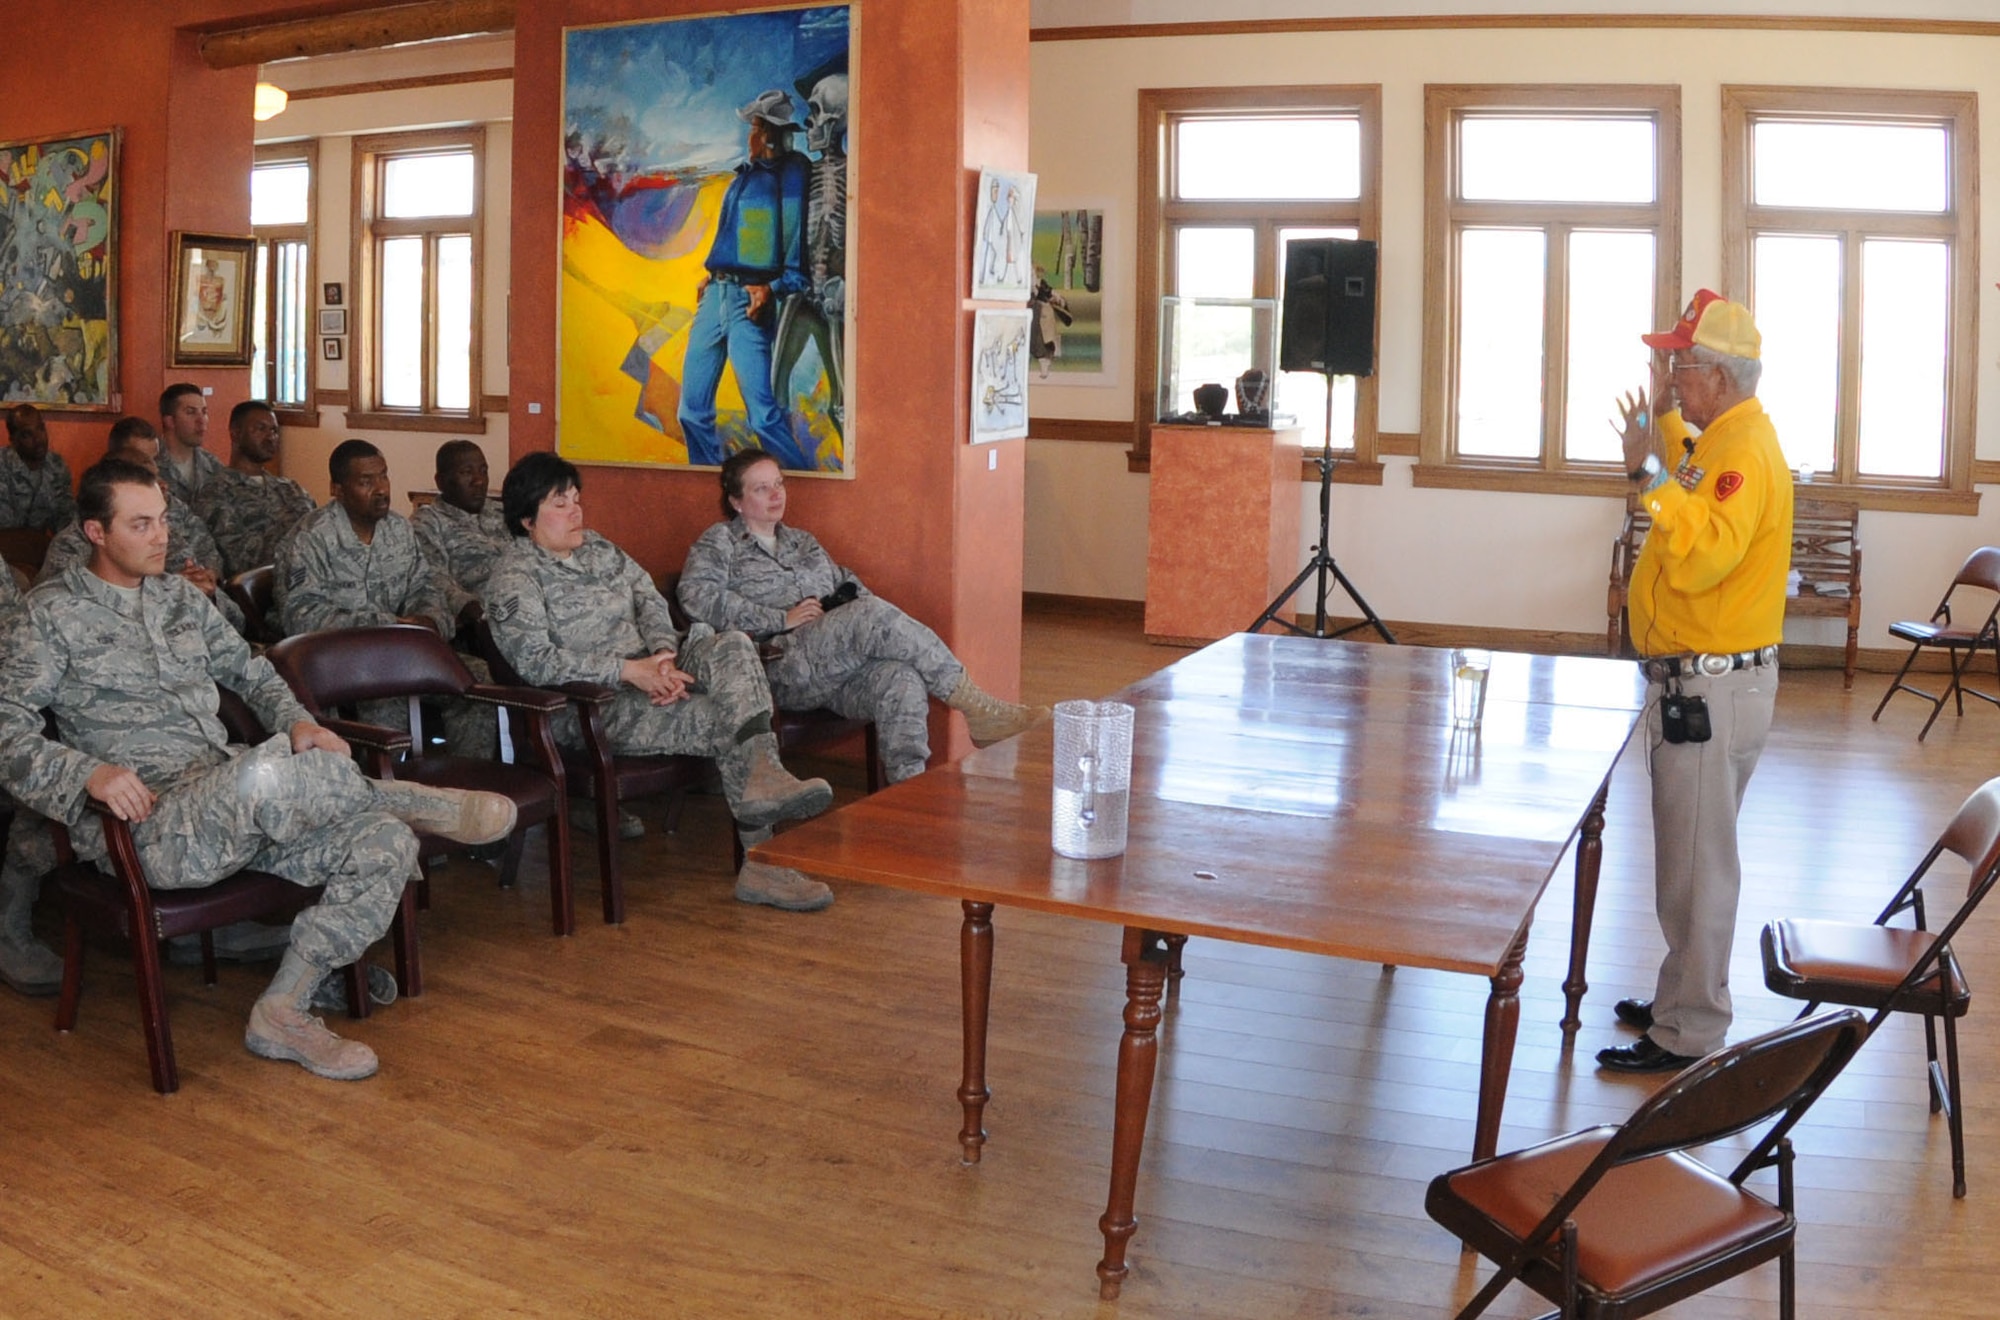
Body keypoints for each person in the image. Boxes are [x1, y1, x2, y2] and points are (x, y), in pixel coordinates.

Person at [0, 457, 517, 1077]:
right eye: (141, 525)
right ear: (96, 533)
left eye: (163, 520)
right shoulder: (48, 615)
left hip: (238, 804)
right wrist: (88, 774)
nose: (162, 536)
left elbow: (252, 670)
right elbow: (8, 730)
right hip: (152, 827)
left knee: (382, 843)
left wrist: (297, 720)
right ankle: (407, 796)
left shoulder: (177, 600)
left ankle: (285, 1009)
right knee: (268, 775)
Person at [484, 452, 838, 912]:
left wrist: (662, 657)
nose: (576, 512)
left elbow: (649, 598)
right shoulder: (514, 578)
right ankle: (763, 864)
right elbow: (537, 661)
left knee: (733, 643)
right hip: (596, 704)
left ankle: (764, 781)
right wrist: (631, 671)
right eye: (560, 504)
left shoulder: (599, 548)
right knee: (726, 716)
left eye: (576, 499)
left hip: (653, 666)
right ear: (527, 519)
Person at [1595, 289, 1793, 1073]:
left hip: (1712, 693)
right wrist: (1663, 441)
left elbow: (1705, 550)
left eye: (1682, 363)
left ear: (1720, 374)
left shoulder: (1743, 451)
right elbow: (1692, 478)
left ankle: (1692, 1030)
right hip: (1699, 688)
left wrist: (1646, 475)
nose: (1672, 374)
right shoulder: (1724, 438)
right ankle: (1679, 997)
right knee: (1686, 854)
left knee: (1700, 865)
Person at [679, 449, 1046, 786]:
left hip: (835, 663)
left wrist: (851, 607)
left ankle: (909, 791)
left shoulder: (802, 542)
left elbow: (847, 584)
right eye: (762, 489)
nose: (777, 494)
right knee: (870, 615)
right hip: (777, 667)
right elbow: (697, 597)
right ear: (736, 501)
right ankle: (978, 706)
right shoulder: (720, 543)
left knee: (900, 678)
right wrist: (779, 617)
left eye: (779, 484)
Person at [272, 439, 495, 760]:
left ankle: (466, 785)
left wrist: (429, 620)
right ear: (338, 488)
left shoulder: (399, 530)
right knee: (386, 696)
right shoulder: (310, 539)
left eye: (384, 476)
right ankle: (386, 788)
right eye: (366, 481)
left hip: (403, 651)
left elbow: (425, 587)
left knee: (477, 682)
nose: (380, 489)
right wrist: (386, 625)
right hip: (342, 662)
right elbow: (302, 617)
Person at [677, 89, 813, 470]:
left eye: (754, 128)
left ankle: (797, 484)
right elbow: (729, 236)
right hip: (715, 294)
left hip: (748, 302)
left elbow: (794, 245)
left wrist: (774, 287)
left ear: (770, 133)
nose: (748, 136)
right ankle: (708, 482)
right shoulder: (742, 178)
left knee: (762, 416)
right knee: (690, 411)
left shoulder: (792, 173)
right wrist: (710, 274)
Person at [194, 401, 315, 578]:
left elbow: (321, 532)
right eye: (260, 429)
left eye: (274, 430)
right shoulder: (215, 493)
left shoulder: (291, 489)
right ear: (235, 433)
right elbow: (238, 561)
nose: (270, 437)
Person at [0, 404, 76, 531]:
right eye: (27, 435)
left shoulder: (56, 465)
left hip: (39, 546)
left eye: (40, 429)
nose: (38, 439)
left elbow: (66, 519)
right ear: (13, 440)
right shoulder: (3, 465)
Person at [158, 381, 224, 507]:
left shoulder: (213, 465)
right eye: (190, 412)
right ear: (170, 421)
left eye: (204, 412)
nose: (201, 420)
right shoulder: (150, 464)